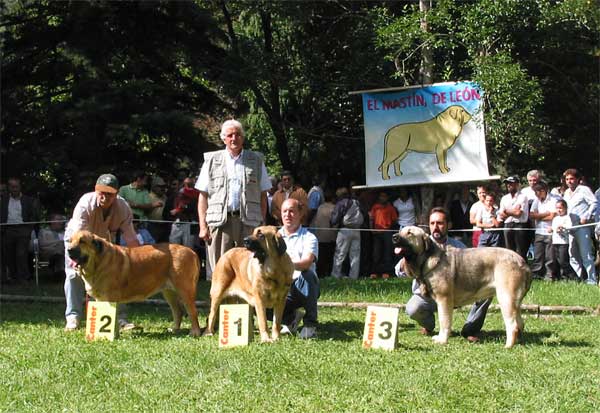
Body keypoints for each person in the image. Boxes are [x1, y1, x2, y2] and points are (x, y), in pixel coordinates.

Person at [397, 207, 492, 342]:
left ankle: (470, 329)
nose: (435, 227)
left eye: (440, 223)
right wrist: (406, 260)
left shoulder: (458, 245)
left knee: (487, 292)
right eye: (432, 223)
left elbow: (472, 267)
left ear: (449, 225)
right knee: (413, 308)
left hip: (458, 293)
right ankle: (429, 325)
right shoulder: (418, 242)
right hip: (427, 298)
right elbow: (398, 272)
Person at [63, 173, 140, 331]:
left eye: (109, 194)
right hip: (77, 242)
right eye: (101, 192)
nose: (105, 197)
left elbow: (131, 238)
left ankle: (120, 319)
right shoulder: (85, 203)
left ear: (116, 194)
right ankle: (73, 317)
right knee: (73, 274)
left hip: (102, 246)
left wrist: (139, 260)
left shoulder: (123, 207)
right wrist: (79, 258)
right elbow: (78, 234)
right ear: (96, 190)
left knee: (117, 275)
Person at [196, 119, 271, 278]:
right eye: (230, 135)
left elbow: (263, 195)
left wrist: (262, 224)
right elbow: (203, 196)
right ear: (223, 138)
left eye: (237, 134)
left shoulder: (256, 160)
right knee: (220, 268)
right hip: (220, 222)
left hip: (249, 222)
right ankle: (219, 302)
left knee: (252, 266)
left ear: (243, 137)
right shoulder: (211, 161)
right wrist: (203, 227)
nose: (234, 138)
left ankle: (250, 302)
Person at [278, 198, 320, 339]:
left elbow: (306, 263)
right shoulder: (274, 237)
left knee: (307, 275)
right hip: (280, 286)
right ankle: (290, 320)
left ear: (300, 213)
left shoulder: (309, 237)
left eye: (292, 211)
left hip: (302, 286)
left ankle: (310, 325)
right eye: (284, 211)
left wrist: (284, 265)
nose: (287, 215)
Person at [1, 177, 41, 284]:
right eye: (12, 187)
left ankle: (23, 278)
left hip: (23, 229)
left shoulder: (28, 200)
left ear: (20, 187)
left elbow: (34, 216)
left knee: (21, 254)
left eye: (16, 186)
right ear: (9, 187)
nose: (14, 189)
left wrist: (29, 228)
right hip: (8, 229)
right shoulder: (3, 201)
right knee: (8, 254)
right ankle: (12, 278)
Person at [562, 168, 597, 285]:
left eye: (572, 179)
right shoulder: (566, 192)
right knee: (573, 255)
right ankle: (578, 279)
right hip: (570, 227)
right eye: (567, 179)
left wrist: (587, 215)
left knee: (586, 254)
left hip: (582, 227)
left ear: (578, 179)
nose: (569, 181)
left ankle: (591, 279)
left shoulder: (584, 190)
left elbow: (594, 202)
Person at [529, 181, 560, 280]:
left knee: (550, 256)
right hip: (539, 231)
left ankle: (549, 275)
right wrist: (545, 214)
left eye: (537, 192)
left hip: (549, 232)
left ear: (543, 191)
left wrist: (538, 216)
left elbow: (552, 216)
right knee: (538, 255)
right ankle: (536, 274)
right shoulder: (536, 201)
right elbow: (531, 215)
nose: (536, 194)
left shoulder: (554, 200)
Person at [330, 186, 362, 279]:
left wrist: (332, 224)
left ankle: (335, 275)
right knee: (355, 255)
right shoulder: (357, 202)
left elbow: (335, 218)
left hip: (345, 230)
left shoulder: (341, 203)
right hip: (357, 230)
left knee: (340, 253)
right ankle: (354, 276)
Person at [498, 176, 529, 260]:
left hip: (519, 225)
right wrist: (512, 211)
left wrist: (506, 211)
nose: (508, 185)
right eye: (507, 183)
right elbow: (501, 215)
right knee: (509, 251)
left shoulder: (523, 197)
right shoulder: (504, 198)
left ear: (517, 184)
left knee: (520, 251)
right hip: (507, 225)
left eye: (511, 183)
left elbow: (518, 213)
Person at [368, 191, 398, 279]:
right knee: (376, 253)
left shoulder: (390, 208)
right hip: (377, 233)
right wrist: (372, 229)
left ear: (387, 198)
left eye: (385, 196)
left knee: (387, 253)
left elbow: (394, 220)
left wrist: (388, 228)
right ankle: (374, 272)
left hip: (387, 232)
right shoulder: (375, 207)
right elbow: (371, 219)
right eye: (381, 196)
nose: (383, 198)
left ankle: (386, 272)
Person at [309, 188, 336, 277]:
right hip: (330, 237)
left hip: (320, 236)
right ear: (332, 198)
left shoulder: (320, 207)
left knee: (321, 257)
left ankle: (320, 273)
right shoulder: (334, 208)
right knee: (330, 257)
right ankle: (328, 273)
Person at [550, 199, 576, 281]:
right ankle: (558, 277)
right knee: (555, 261)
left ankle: (573, 277)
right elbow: (553, 228)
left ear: (565, 208)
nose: (559, 210)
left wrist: (562, 228)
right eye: (557, 208)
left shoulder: (567, 218)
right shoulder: (555, 219)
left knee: (563, 261)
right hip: (555, 242)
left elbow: (569, 228)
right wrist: (552, 229)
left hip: (563, 243)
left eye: (561, 208)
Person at [36, 213, 67, 278]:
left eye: (61, 220)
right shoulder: (44, 232)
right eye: (58, 219)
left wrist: (56, 244)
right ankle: (59, 272)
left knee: (60, 253)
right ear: (51, 221)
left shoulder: (64, 233)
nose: (61, 222)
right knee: (58, 252)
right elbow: (43, 244)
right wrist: (58, 243)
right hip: (48, 253)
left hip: (62, 253)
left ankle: (58, 273)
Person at [147, 176, 169, 242]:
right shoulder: (148, 196)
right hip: (152, 225)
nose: (162, 189)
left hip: (164, 225)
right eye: (160, 186)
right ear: (153, 187)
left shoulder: (165, 197)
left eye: (163, 187)